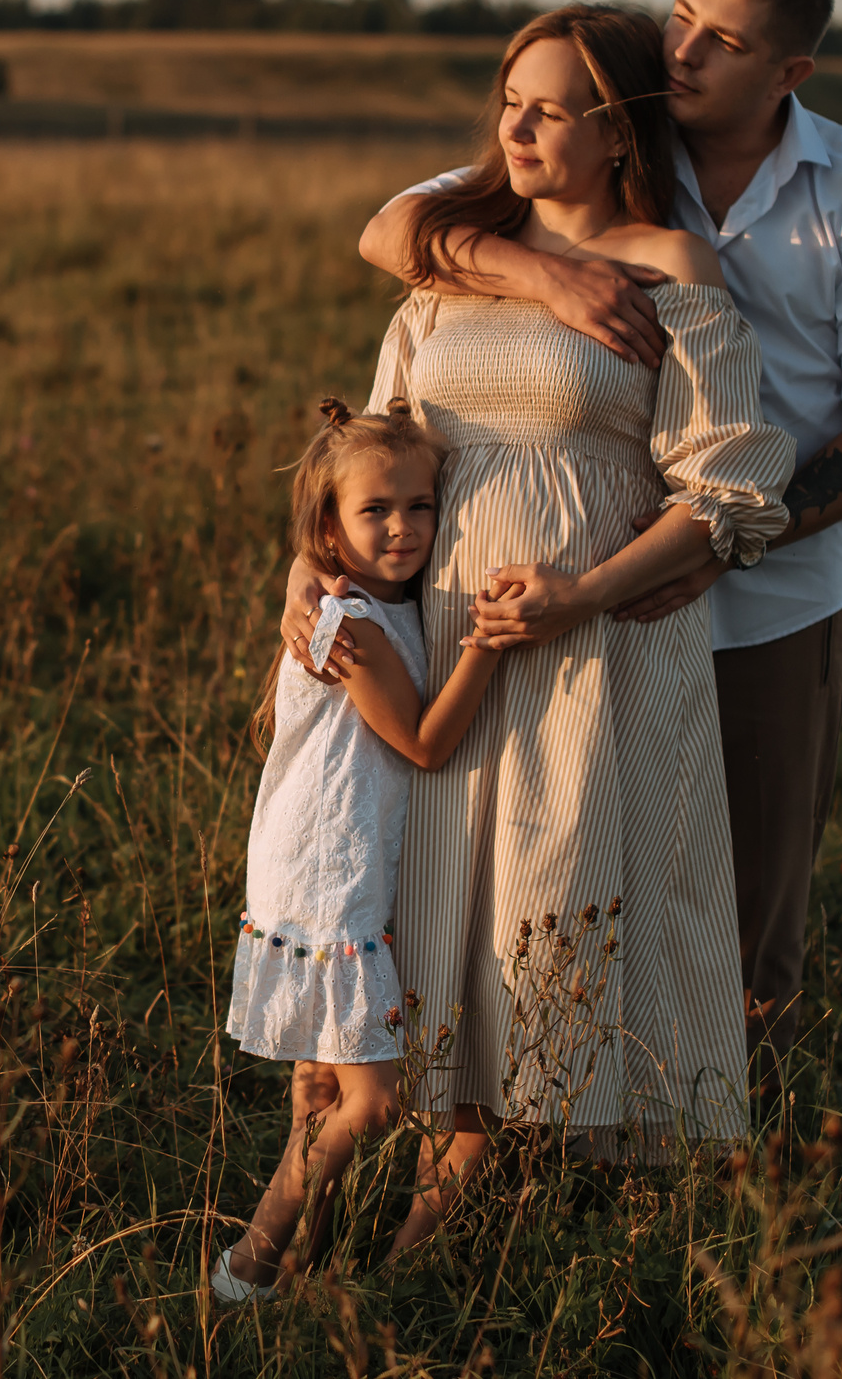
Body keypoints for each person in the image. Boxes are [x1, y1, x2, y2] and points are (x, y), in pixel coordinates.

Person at [319, 0, 842, 1100]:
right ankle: (532, 1120)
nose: (684, 50)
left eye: (725, 40)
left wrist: (727, 538)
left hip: (768, 591)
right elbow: (393, 227)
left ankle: (725, 1153)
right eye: (680, 15)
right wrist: (546, 274)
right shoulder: (604, 119)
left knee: (733, 899)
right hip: (544, 599)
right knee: (528, 862)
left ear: (789, 72)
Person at [291, 3, 794, 1244]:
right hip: (438, 642)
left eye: (549, 109)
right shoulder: (455, 257)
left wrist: (586, 590)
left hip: (587, 647)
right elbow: (372, 447)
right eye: (508, 101)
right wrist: (308, 571)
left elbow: (728, 485)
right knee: (426, 894)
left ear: (615, 130)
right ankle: (369, 1204)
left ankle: (459, 1224)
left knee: (549, 904)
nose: (514, 128)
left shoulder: (670, 267)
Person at [213, 397, 505, 1302]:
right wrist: (488, 647)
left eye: (420, 506)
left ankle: (297, 1260)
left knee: (320, 1089)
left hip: (327, 857)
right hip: (328, 873)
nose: (404, 527)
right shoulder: (354, 626)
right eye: (376, 509)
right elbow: (423, 743)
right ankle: (251, 1259)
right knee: (373, 1102)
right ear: (330, 527)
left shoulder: (382, 604)